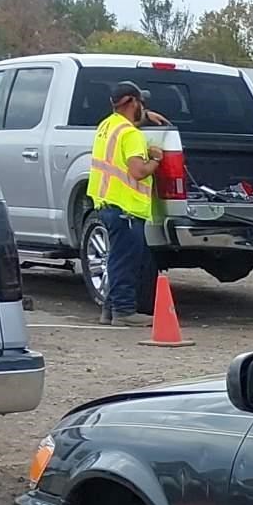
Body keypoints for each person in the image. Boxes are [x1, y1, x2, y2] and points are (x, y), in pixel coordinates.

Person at [86, 82, 166, 325]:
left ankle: (110, 310)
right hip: (126, 209)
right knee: (126, 262)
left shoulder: (107, 126)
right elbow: (138, 171)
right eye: (141, 102)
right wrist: (156, 160)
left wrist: (145, 116)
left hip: (108, 204)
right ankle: (124, 312)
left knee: (116, 259)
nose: (143, 106)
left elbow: (125, 134)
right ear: (132, 102)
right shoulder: (131, 134)